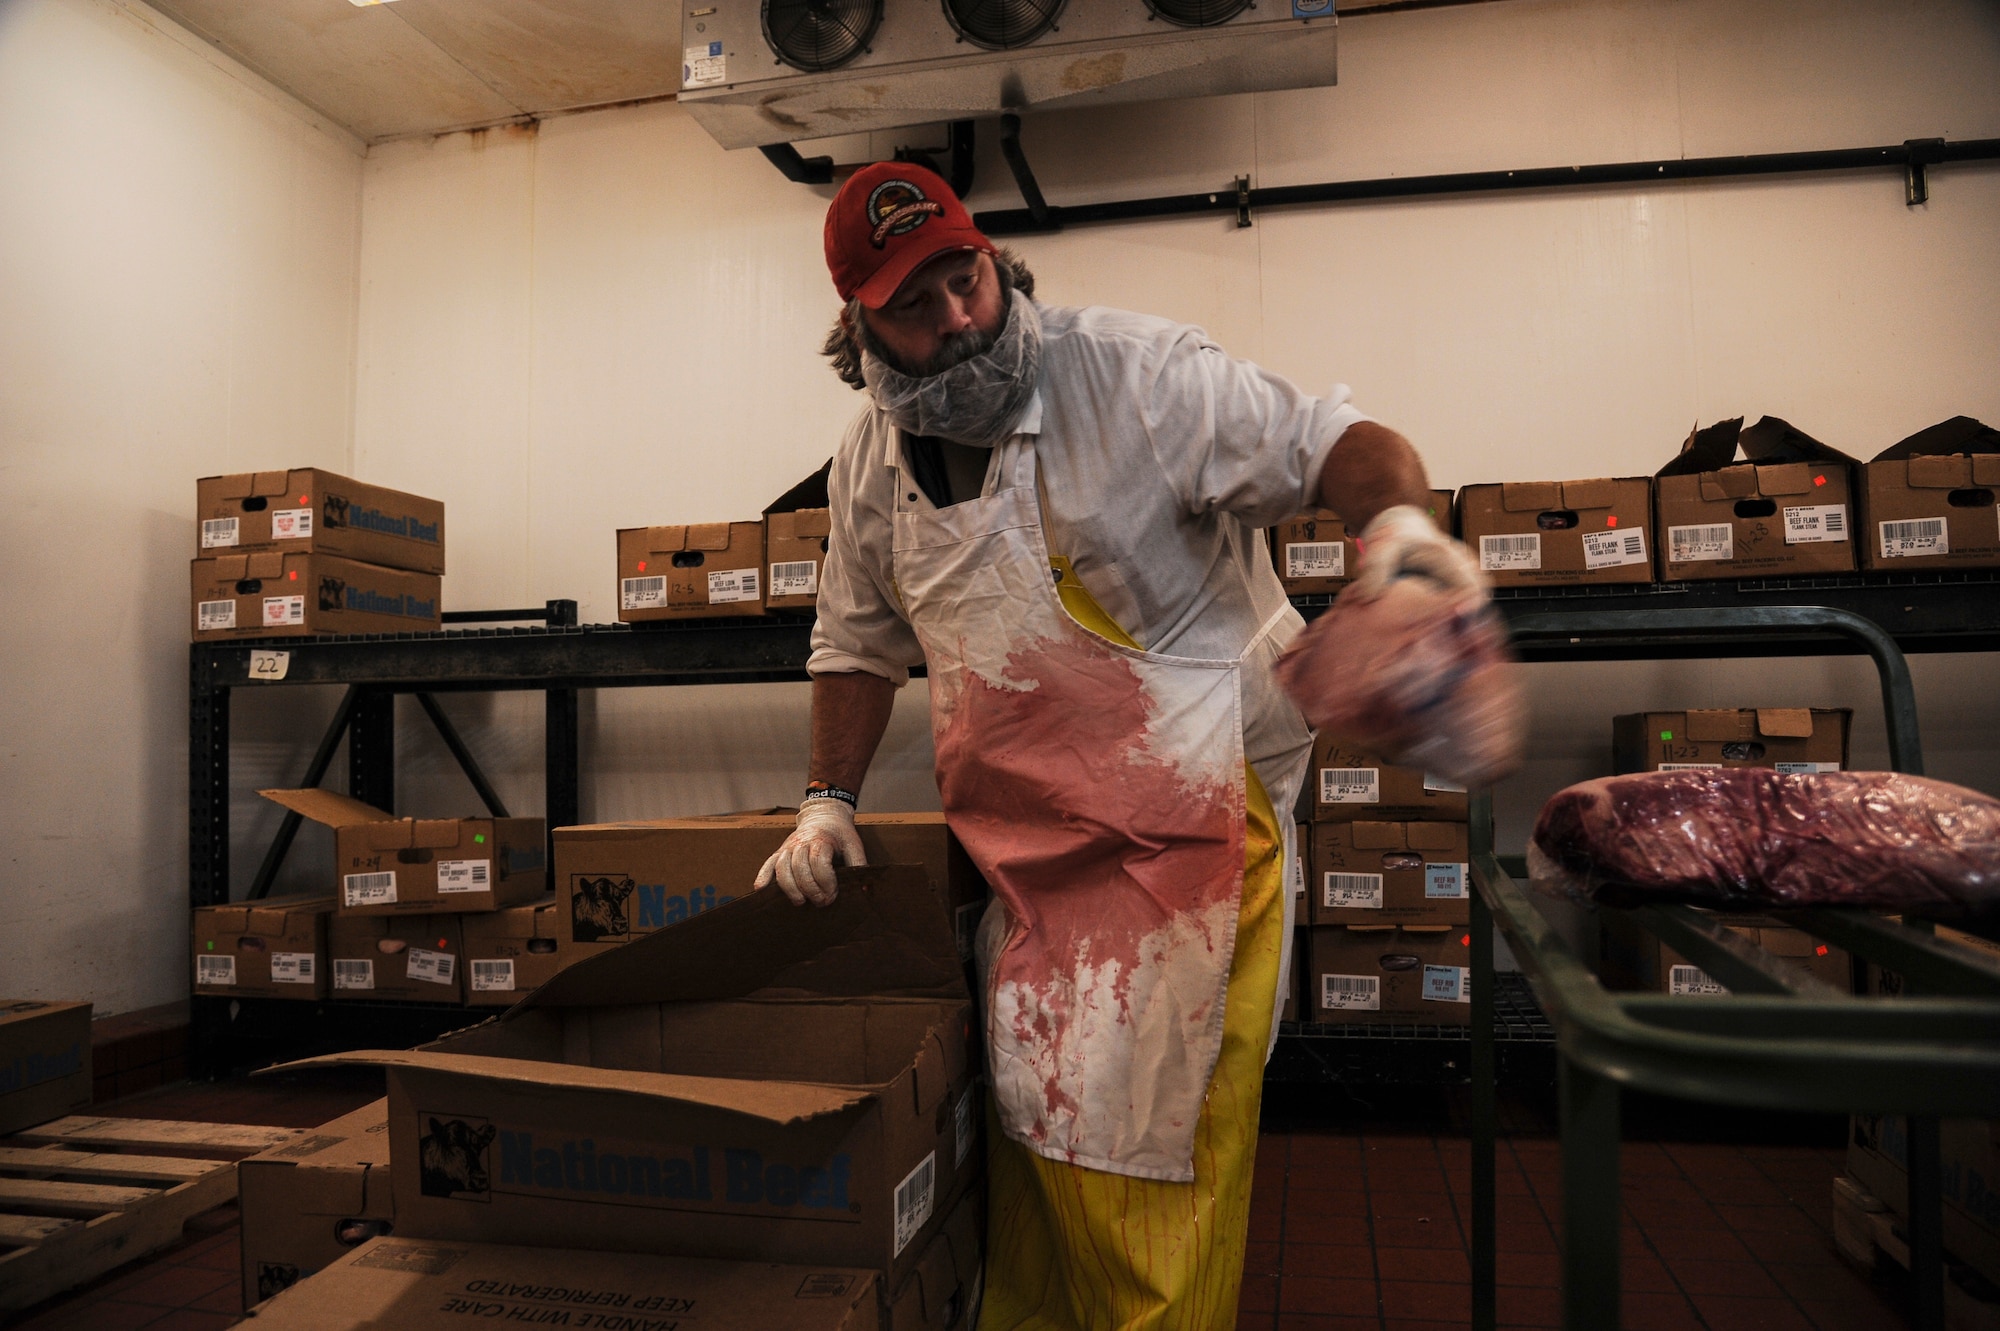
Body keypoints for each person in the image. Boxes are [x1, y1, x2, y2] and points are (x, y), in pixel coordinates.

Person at [755, 161, 1485, 1331]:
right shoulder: (867, 465)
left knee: (1153, 1155)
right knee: (1035, 1129)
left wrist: (1401, 538)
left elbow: (1343, 443)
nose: (956, 320)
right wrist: (823, 800)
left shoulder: (1136, 377)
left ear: (993, 259)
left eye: (967, 279)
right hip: (1030, 858)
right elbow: (851, 642)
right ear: (858, 326)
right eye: (915, 304)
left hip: (1193, 836)